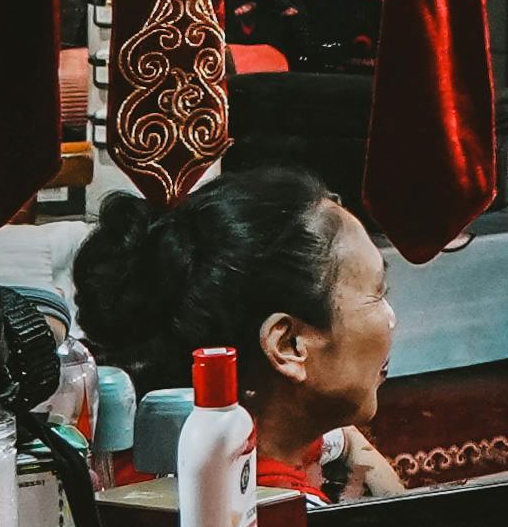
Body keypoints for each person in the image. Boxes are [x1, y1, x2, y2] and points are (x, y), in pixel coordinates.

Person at [67, 161, 407, 496]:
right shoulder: (276, 521)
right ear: (288, 345)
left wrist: (352, 444)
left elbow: (336, 439)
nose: (391, 318)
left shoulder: (151, 447)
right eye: (377, 294)